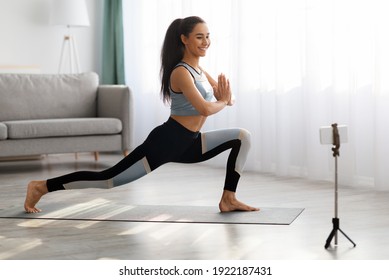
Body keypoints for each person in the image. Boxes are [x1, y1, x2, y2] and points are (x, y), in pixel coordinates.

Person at [24, 16, 259, 214]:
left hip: (190, 142)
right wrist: (222, 100)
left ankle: (228, 198)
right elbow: (206, 109)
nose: (206, 41)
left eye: (208, 36)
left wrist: (226, 98)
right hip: (167, 141)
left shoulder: (199, 71)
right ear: (184, 40)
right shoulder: (180, 72)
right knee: (108, 179)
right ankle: (42, 186)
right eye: (199, 36)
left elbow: (229, 99)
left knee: (242, 137)